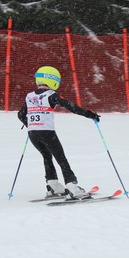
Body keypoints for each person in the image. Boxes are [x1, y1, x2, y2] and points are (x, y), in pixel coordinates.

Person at [18, 66, 100, 200]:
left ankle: (53, 185)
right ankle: (72, 188)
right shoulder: (51, 95)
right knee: (61, 158)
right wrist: (89, 114)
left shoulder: (30, 96)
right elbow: (70, 106)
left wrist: (30, 124)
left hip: (33, 134)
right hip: (47, 133)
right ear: (53, 80)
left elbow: (21, 115)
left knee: (47, 156)